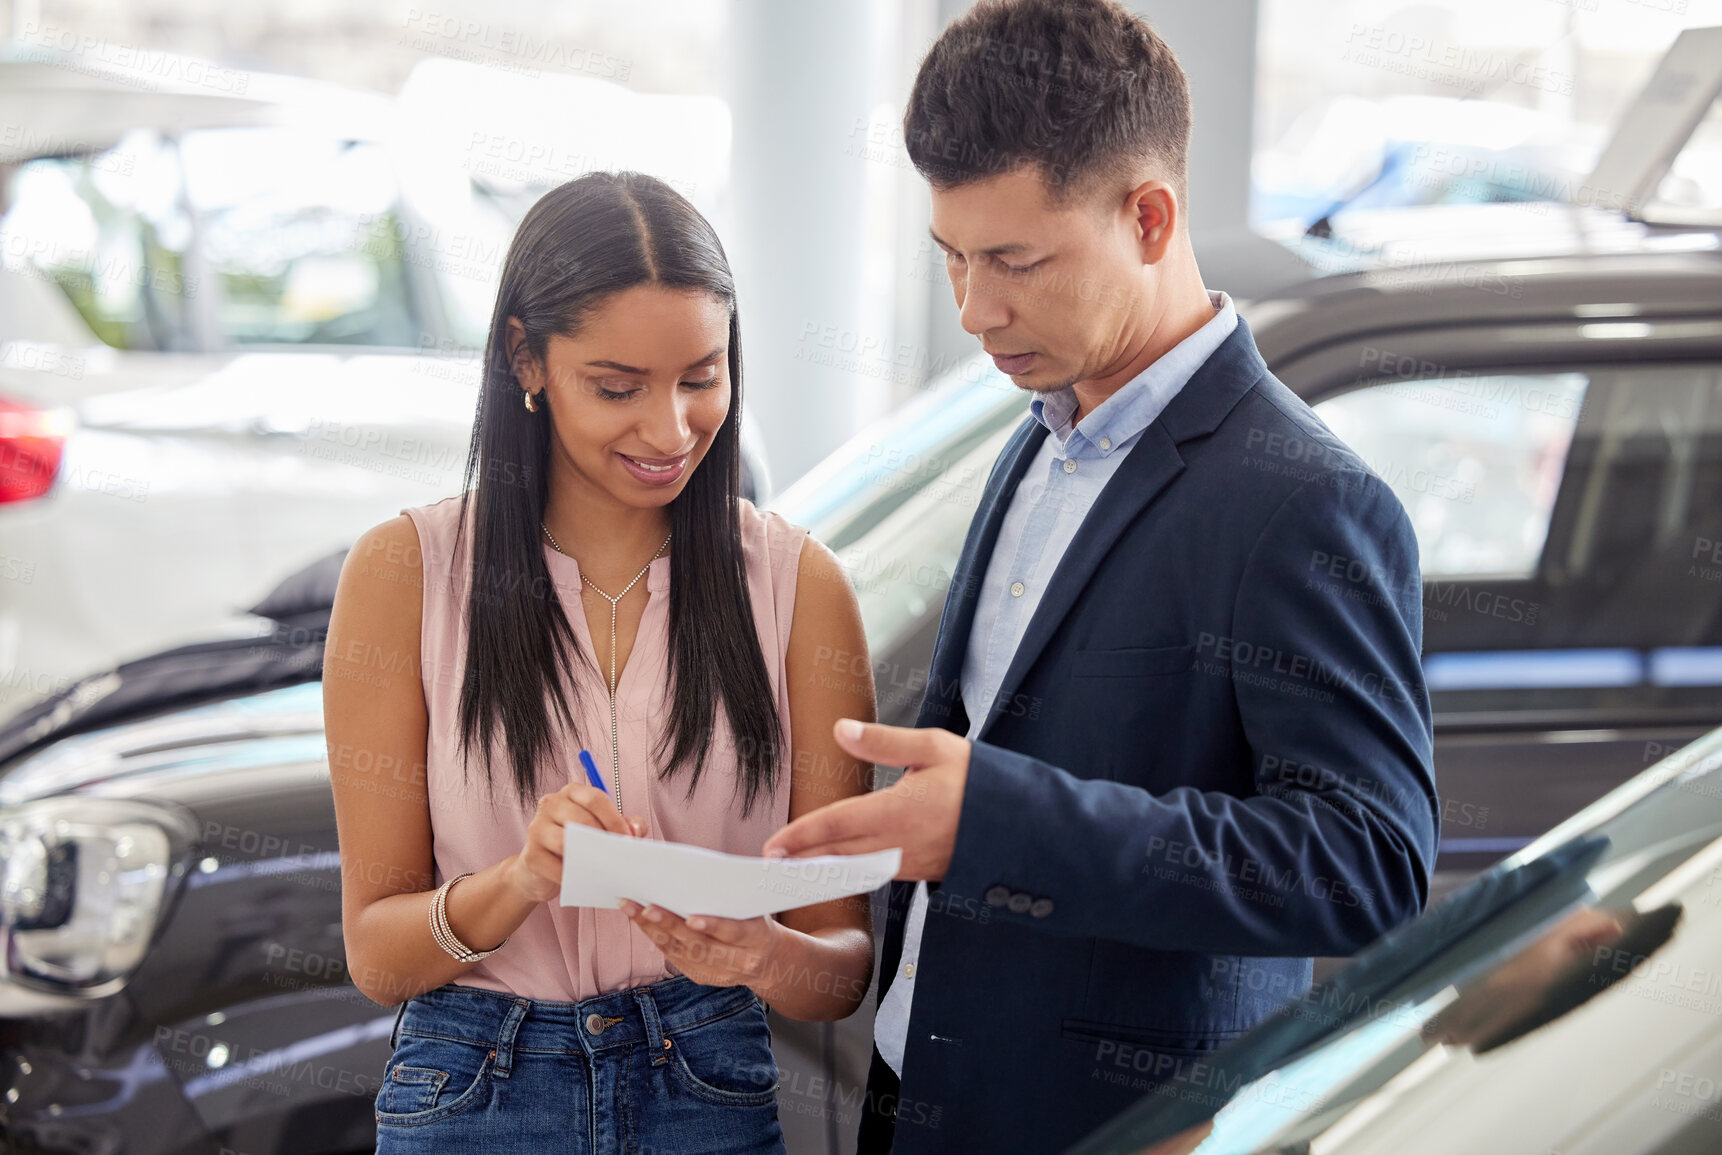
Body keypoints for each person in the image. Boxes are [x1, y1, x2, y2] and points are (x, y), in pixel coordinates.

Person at [761, 2, 1439, 1151]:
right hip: (914, 1096)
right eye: (954, 260)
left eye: (1017, 261)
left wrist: (1001, 819)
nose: (976, 311)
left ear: (1150, 217)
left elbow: (1366, 863)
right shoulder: (1035, 434)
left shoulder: (1305, 499)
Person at [322, 170, 876, 1154]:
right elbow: (377, 956)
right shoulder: (406, 574)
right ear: (525, 358)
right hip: (474, 1090)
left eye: (702, 378)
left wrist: (762, 950)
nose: (669, 432)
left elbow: (840, 972)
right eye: (618, 388)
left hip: (706, 1079)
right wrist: (520, 880)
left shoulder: (800, 589)